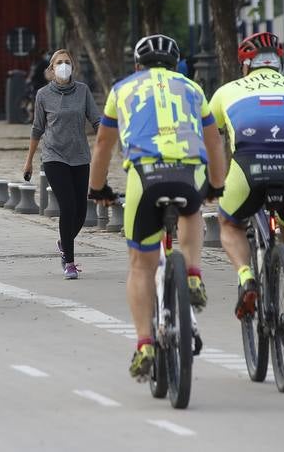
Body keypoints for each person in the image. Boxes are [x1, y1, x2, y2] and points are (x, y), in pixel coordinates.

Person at [88, 34, 226, 382]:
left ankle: (145, 344)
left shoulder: (121, 89)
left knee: (140, 264)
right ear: (176, 63)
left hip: (145, 176)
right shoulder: (193, 89)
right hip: (186, 171)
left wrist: (97, 188)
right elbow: (213, 140)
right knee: (191, 211)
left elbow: (104, 142)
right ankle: (193, 274)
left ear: (138, 65)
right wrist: (217, 183)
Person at [211, 32, 284, 343]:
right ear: (280, 64)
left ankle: (247, 278)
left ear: (245, 66)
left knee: (229, 223)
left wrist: (208, 179)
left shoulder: (228, 91)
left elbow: (207, 135)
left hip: (249, 167)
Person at [23, 50, 101, 279]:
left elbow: (96, 119)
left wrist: (106, 137)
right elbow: (37, 129)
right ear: (51, 68)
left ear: (73, 66)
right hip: (54, 157)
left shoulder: (83, 91)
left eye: (68, 62)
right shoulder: (43, 95)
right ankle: (69, 262)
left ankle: (63, 241)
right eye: (59, 63)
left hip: (80, 156)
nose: (64, 66)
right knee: (68, 207)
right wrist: (28, 162)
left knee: (81, 211)